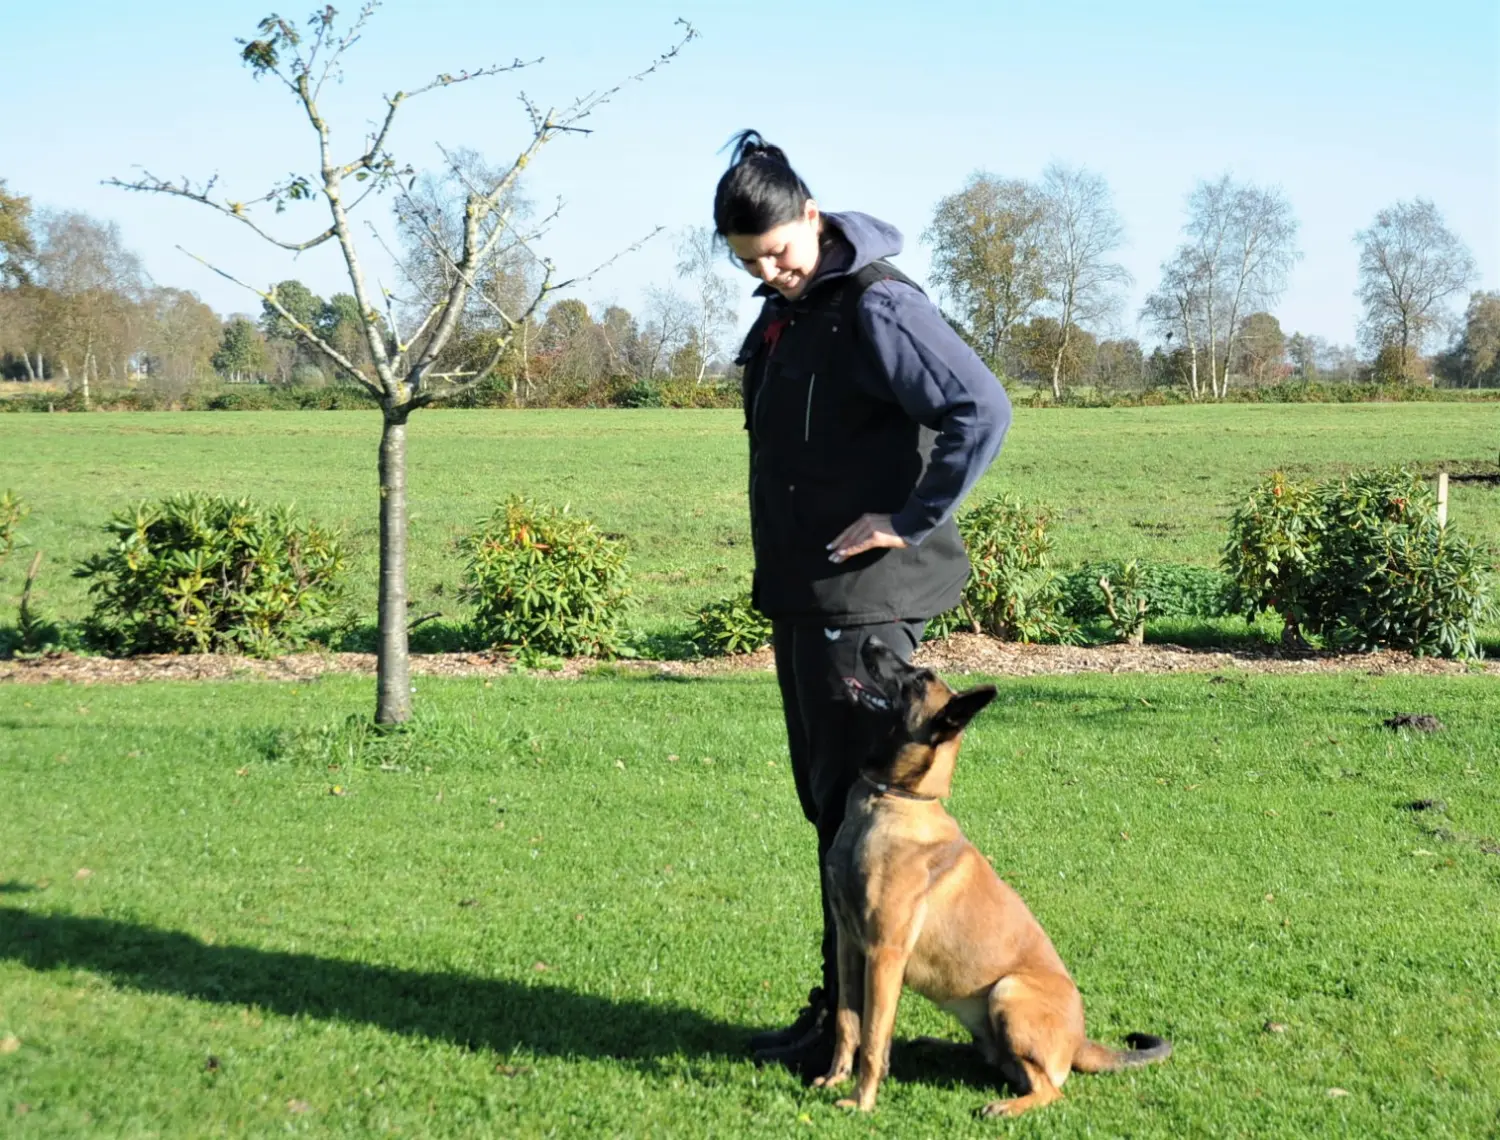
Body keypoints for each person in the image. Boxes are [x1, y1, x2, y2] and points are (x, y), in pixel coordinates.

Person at [713, 130, 1013, 1074]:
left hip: (865, 599)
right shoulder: (791, 315)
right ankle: (837, 1013)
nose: (772, 271)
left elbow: (982, 407)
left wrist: (910, 516)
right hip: (809, 596)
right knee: (832, 814)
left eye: (781, 251)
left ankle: (851, 1033)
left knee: (858, 818)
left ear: (813, 214)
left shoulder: (876, 306)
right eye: (751, 262)